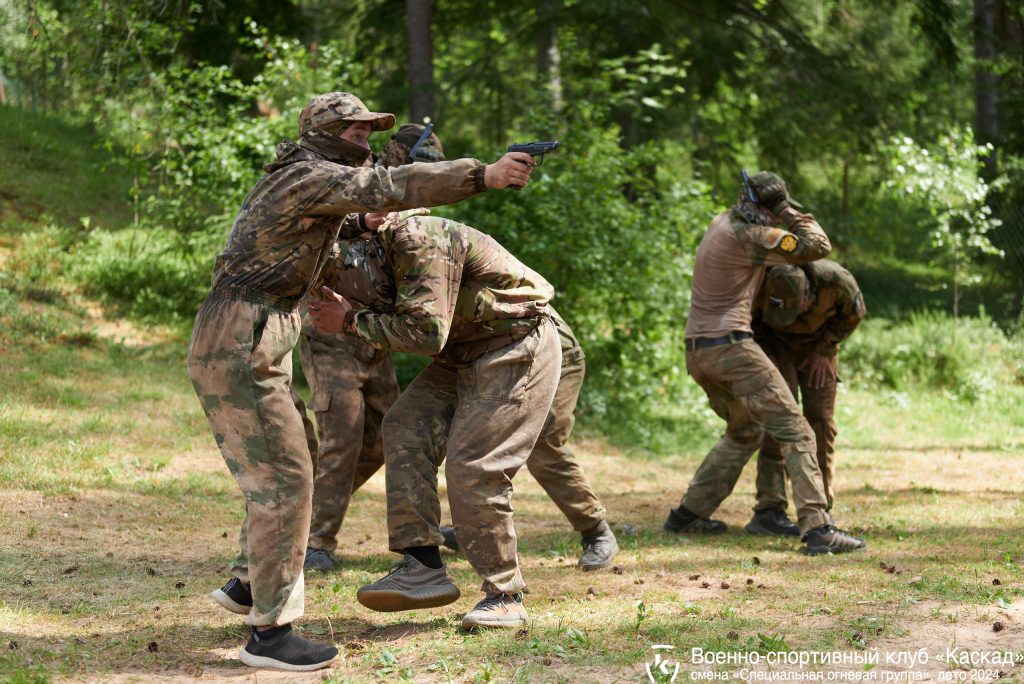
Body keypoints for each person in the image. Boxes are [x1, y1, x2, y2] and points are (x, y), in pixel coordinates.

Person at [189, 91, 535, 671]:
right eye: (356, 135)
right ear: (325, 134)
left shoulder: (305, 182)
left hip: (254, 329)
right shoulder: (306, 173)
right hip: (244, 331)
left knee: (287, 463)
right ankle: (270, 636)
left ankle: (250, 584)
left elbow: (347, 213)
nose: (367, 144)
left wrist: (361, 220)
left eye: (370, 134)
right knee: (286, 478)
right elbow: (394, 186)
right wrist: (486, 174)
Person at [308, 211, 560, 630]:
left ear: (356, 264)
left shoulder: (416, 241)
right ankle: (423, 566)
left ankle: (505, 595)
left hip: (515, 344)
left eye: (337, 284)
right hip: (463, 351)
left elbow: (427, 332)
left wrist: (350, 320)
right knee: (403, 426)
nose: (337, 293)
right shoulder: (366, 247)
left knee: (474, 465)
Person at [664, 171, 867, 556]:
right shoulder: (751, 237)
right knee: (797, 430)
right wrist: (787, 210)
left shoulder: (722, 222)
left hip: (697, 350)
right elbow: (817, 244)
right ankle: (819, 528)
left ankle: (688, 515)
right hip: (731, 347)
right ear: (767, 209)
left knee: (745, 431)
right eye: (773, 211)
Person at [299, 124, 448, 573]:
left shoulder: (414, 208)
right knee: (341, 437)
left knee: (386, 434)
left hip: (372, 336)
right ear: (396, 160)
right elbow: (315, 226)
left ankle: (302, 518)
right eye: (415, 169)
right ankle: (314, 541)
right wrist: (364, 221)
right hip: (331, 334)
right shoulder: (352, 183)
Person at [437, 307, 619, 571]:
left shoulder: (453, 269)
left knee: (544, 447)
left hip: (554, 354)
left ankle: (597, 531)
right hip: (504, 361)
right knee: (484, 445)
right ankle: (478, 530)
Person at [747, 260, 866, 535]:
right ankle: (770, 508)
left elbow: (854, 315)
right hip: (776, 345)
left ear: (809, 296)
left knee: (820, 422)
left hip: (820, 347)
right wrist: (767, 356)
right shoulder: (761, 281)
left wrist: (824, 350)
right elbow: (750, 320)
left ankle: (819, 510)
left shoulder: (837, 281)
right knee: (778, 421)